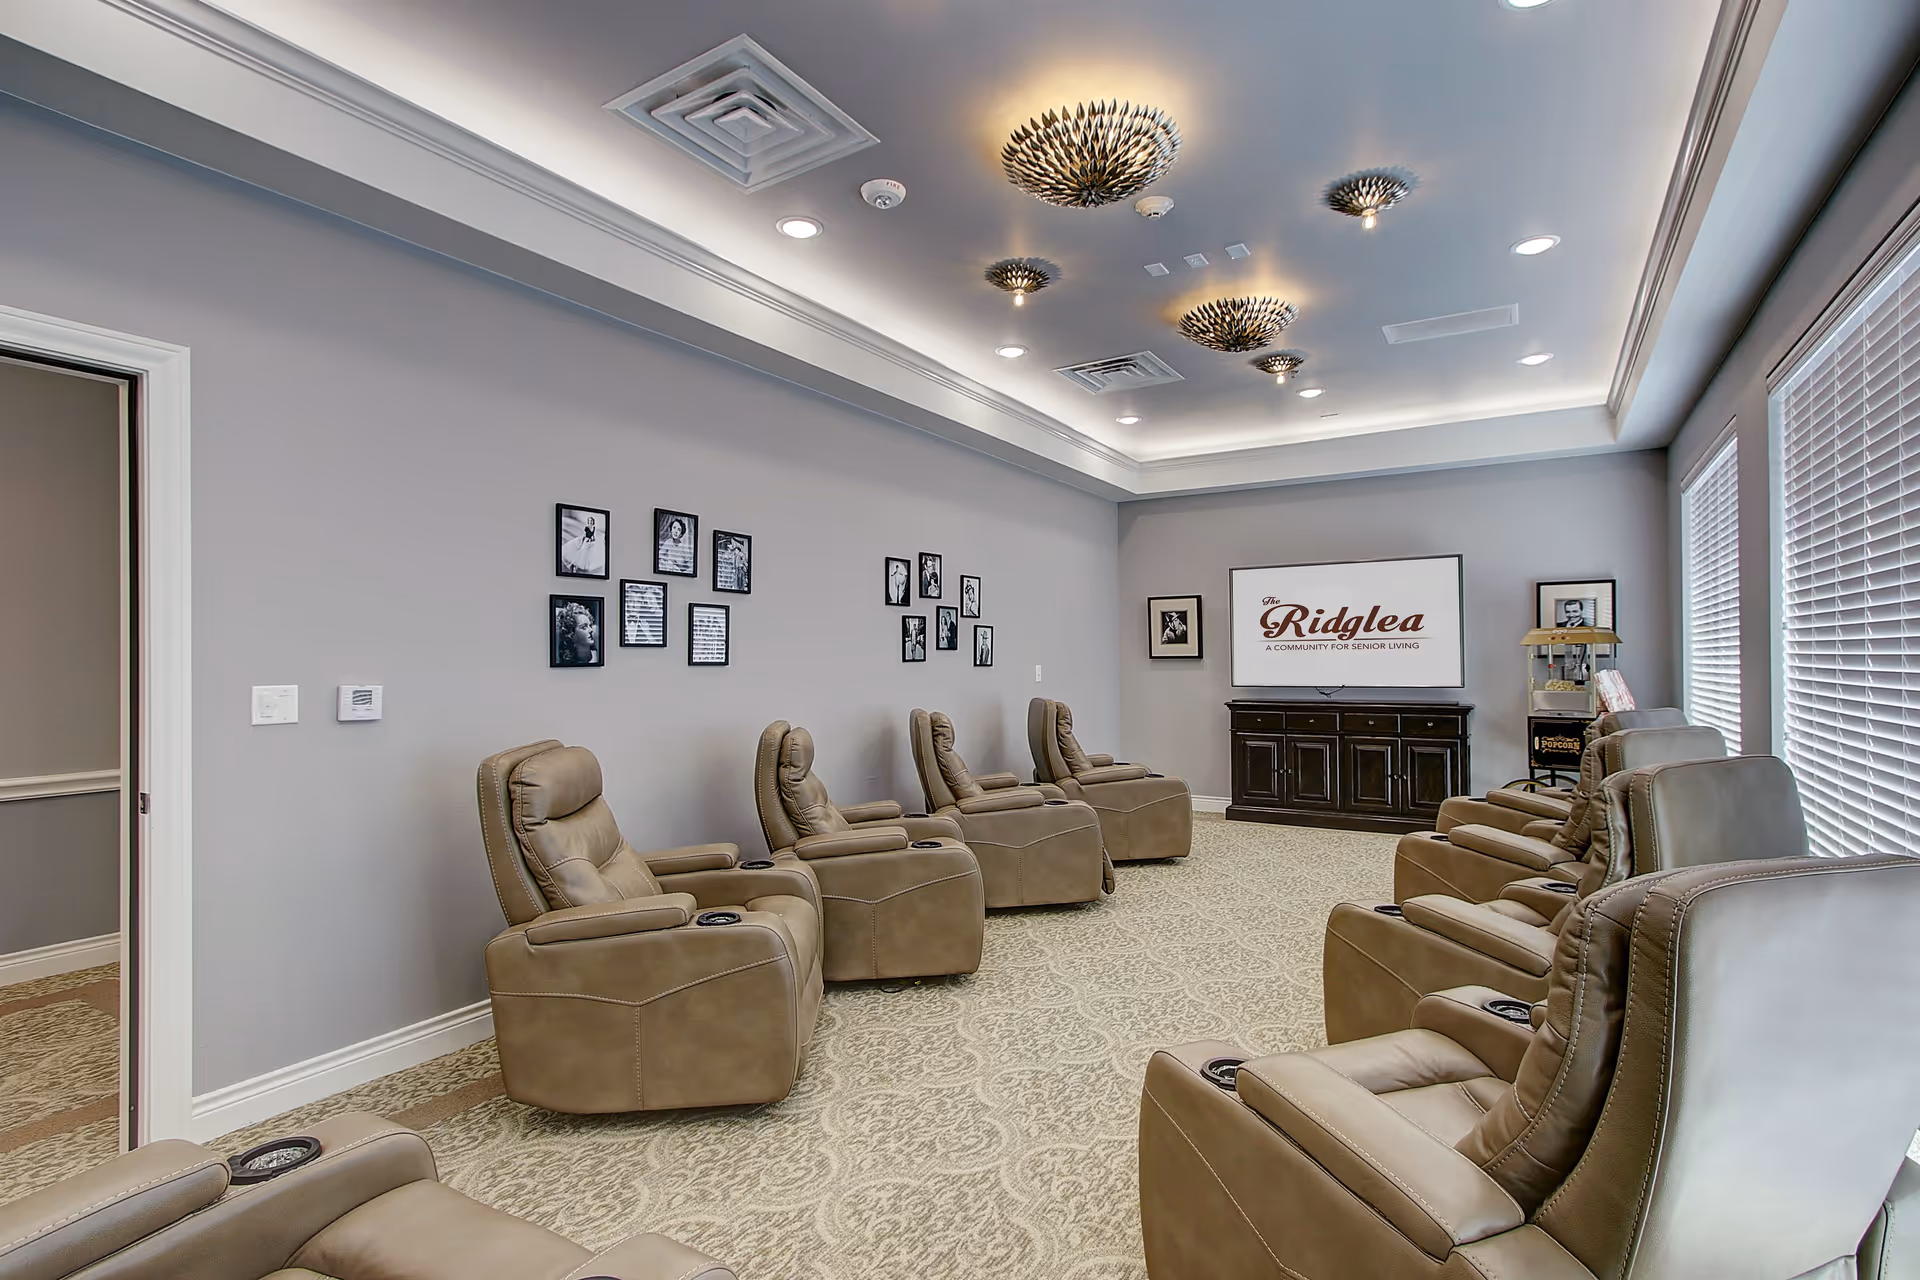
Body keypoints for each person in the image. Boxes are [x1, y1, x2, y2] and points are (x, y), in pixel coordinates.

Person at [555, 600, 597, 665]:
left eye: (590, 625)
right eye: (584, 627)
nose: (591, 630)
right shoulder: (565, 664)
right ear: (571, 634)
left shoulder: (599, 655)